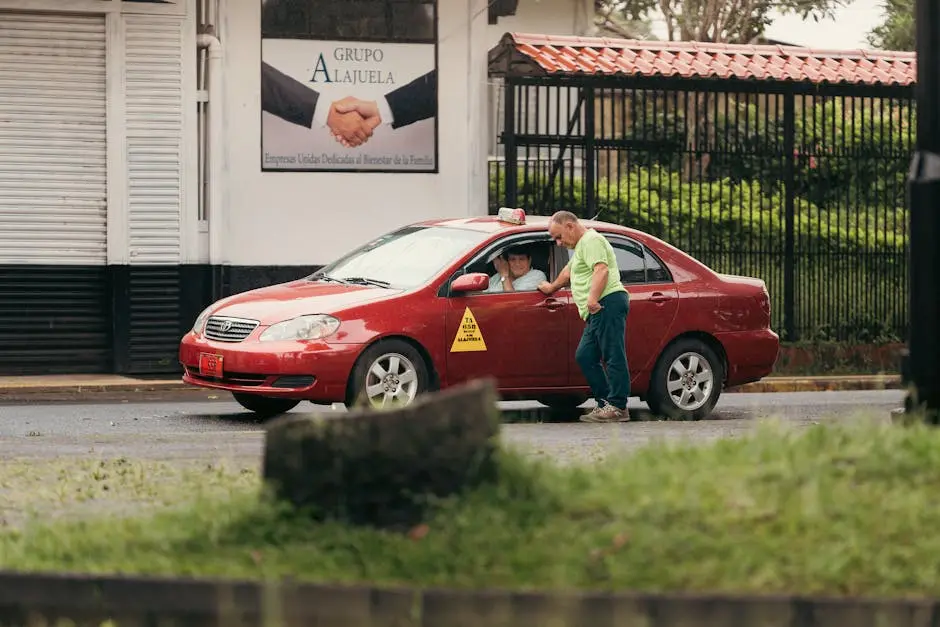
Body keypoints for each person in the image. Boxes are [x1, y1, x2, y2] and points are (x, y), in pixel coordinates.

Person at [538, 211, 631, 422]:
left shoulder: (592, 240)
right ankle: (605, 403)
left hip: (606, 302)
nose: (558, 243)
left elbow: (601, 270)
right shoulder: (581, 246)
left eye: (559, 237)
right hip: (598, 307)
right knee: (585, 356)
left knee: (613, 354)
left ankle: (618, 406)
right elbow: (568, 272)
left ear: (570, 226)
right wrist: (551, 287)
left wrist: (592, 299)